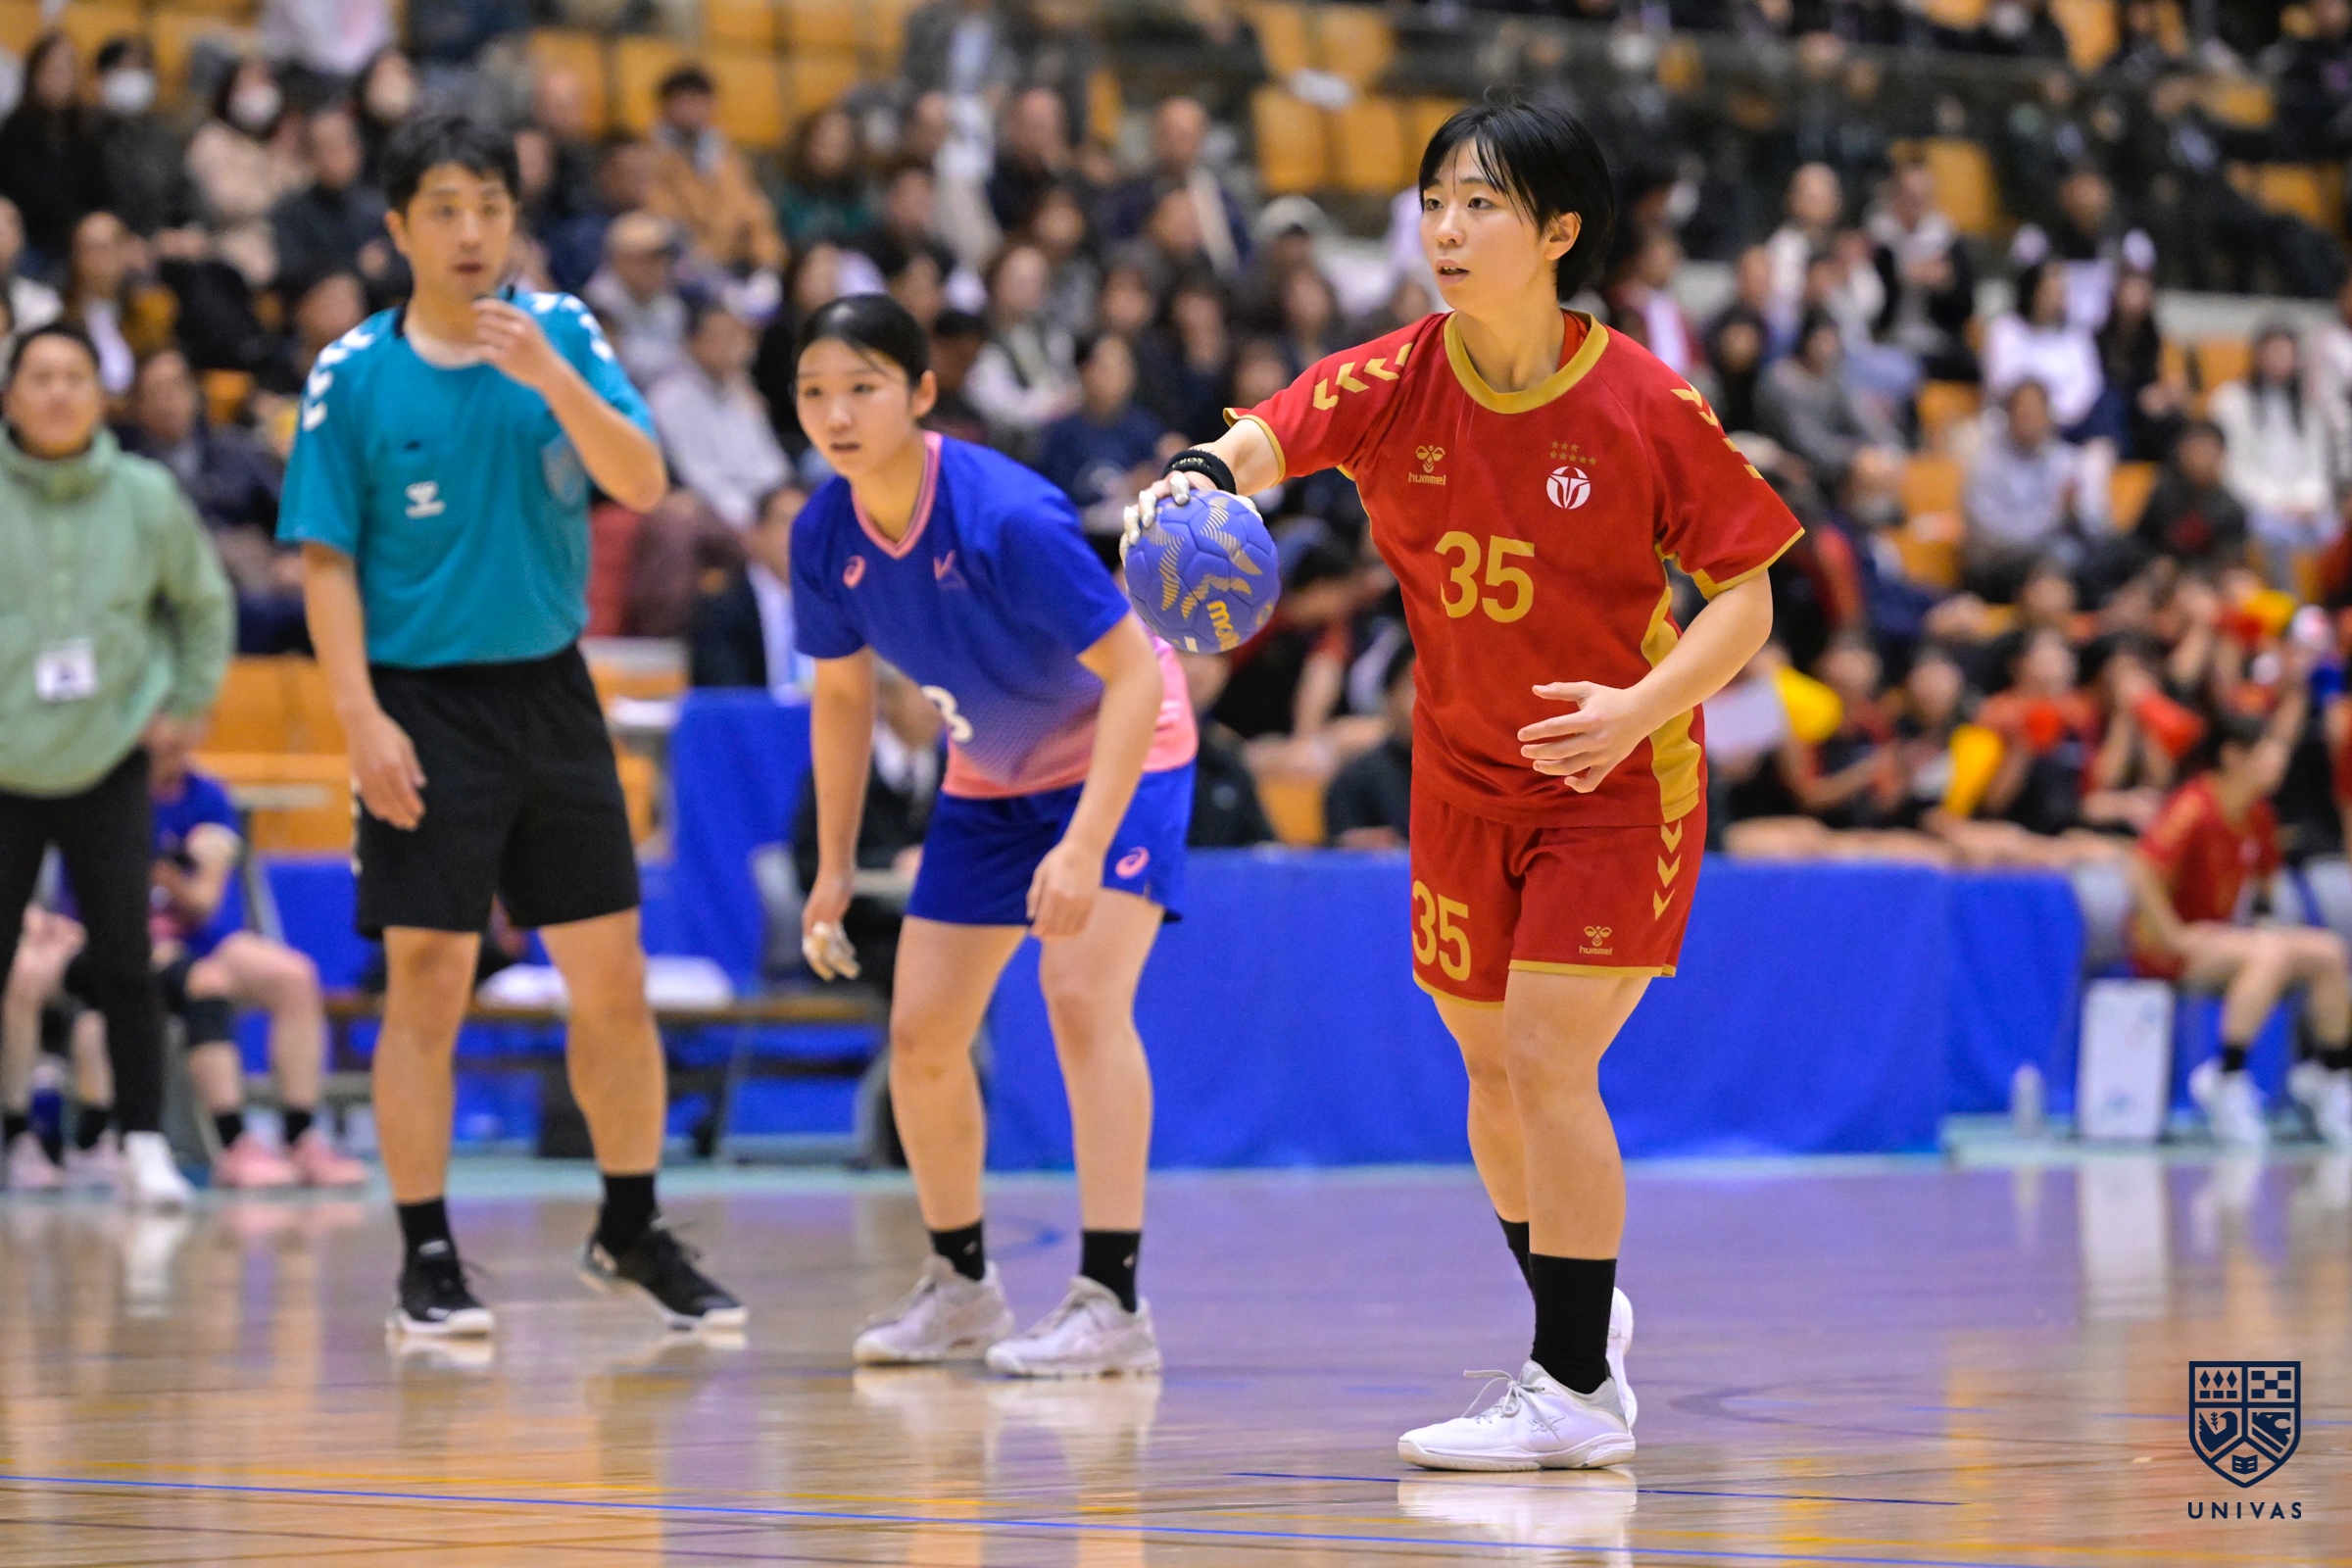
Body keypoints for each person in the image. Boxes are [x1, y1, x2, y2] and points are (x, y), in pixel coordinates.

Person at [1133, 99, 1798, 1469]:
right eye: (1434, 200)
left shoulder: (1643, 404)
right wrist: (1198, 480)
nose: (1446, 227)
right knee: (1489, 1070)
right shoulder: (1399, 378)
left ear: (1558, 233)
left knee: (1551, 1059)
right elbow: (1268, 436)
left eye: (1481, 203)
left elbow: (1747, 598)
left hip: (1614, 776)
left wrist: (1638, 710)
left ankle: (1576, 1390)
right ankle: (1581, 1311)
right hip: (1457, 778)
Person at [278, 114, 741, 1335]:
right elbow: (325, 563)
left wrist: (550, 378)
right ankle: (427, 1254)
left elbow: (642, 481)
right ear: (399, 229)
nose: (472, 230)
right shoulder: (352, 373)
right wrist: (361, 720)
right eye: (444, 208)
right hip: (420, 704)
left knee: (613, 982)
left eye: (489, 205)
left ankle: (630, 1227)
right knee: (428, 982)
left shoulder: (566, 333)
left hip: (551, 692)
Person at [793, 293, 1198, 1377]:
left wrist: (1084, 845)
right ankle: (961, 1289)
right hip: (991, 771)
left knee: (1080, 998)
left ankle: (1113, 1302)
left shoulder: (1006, 517)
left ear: (922, 394)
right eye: (815, 392)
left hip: (1125, 751)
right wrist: (833, 866)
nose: (838, 414)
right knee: (922, 1034)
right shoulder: (823, 533)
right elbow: (843, 700)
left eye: (864, 387)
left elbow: (1130, 676)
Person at [0, 322, 234, 1208]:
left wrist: (189, 703)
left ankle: (141, 1143)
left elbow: (204, 607)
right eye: (41, 377)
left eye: (75, 376)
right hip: (5, 761)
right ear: (11, 394)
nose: (58, 392)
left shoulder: (145, 494)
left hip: (110, 757)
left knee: (128, 961)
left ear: (101, 396)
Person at [55, 731, 368, 1187]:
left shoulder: (205, 796)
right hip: (116, 940)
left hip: (195, 937)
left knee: (294, 975)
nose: (175, 739)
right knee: (205, 982)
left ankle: (300, 1134)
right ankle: (234, 1142)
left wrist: (169, 879)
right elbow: (88, 903)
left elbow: (203, 902)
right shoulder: (104, 793)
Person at [2131, 703, 2352, 1148]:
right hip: (2166, 947)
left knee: (2327, 951)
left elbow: (2265, 887)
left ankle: (2330, 1076)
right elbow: (2139, 869)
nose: (2281, 761)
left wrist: (2264, 923)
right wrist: (2174, 934)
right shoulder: (2194, 806)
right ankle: (2227, 1076)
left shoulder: (2258, 815)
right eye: (2270, 750)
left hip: (2225, 939)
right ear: (2234, 756)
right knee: (2269, 953)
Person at [2208, 325, 2333, 584]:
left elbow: (2318, 464)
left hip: (2306, 507)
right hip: (2257, 505)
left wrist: (2307, 499)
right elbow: (2233, 467)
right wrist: (2278, 502)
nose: (2281, 360)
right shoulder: (2231, 401)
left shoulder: (2310, 404)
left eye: (2288, 353)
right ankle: (2290, 602)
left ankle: (2333, 603)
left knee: (2337, 533)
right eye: (2275, 352)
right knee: (2271, 533)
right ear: (2257, 355)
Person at [650, 296, 790, 528]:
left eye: (736, 336)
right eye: (719, 337)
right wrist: (748, 519)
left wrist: (783, 497)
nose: (732, 346)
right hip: (715, 511)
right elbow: (698, 475)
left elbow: (771, 460)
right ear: (692, 342)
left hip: (764, 503)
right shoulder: (669, 398)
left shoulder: (741, 390)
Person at [641, 66, 784, 275]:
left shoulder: (728, 156)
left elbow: (753, 212)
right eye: (684, 101)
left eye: (699, 101)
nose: (692, 110)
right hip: (682, 269)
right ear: (664, 106)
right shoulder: (649, 158)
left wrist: (767, 262)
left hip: (733, 265)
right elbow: (663, 218)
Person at [690, 481, 811, 693]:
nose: (798, 534)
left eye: (807, 524)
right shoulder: (722, 608)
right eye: (785, 521)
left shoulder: (839, 603)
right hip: (756, 712)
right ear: (756, 533)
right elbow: (726, 693)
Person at [0, 34, 106, 265]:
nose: (62, 78)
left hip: (77, 237)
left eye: (69, 70)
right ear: (35, 74)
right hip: (32, 238)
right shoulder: (16, 127)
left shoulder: (86, 128)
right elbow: (23, 190)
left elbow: (99, 189)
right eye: (55, 70)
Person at [1324, 641, 1415, 849]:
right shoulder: (1355, 780)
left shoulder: (1471, 777)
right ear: (1389, 696)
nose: (1431, 701)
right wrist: (1351, 845)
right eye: (1417, 685)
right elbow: (1332, 855)